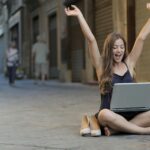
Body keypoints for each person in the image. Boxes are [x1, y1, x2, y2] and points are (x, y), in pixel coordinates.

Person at [65, 5, 150, 136]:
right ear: (109, 49)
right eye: (115, 47)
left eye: (122, 47)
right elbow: (91, 40)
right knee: (104, 114)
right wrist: (79, 16)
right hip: (110, 116)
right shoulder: (101, 66)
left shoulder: (129, 63)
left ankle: (117, 129)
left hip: (132, 115)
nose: (119, 51)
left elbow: (142, 38)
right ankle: (143, 131)